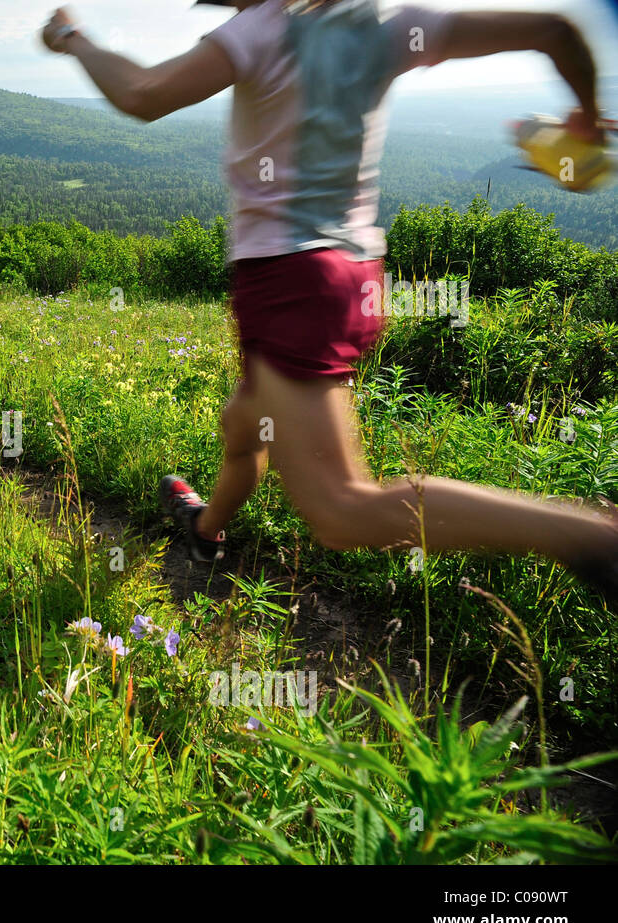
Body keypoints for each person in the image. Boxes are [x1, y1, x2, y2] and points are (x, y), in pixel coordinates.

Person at [41, 0, 618, 602]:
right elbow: (555, 29)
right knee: (244, 426)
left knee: (341, 510)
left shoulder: (263, 29)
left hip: (293, 282)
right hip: (351, 277)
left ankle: (591, 538)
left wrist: (73, 37)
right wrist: (587, 115)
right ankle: (206, 529)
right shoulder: (388, 26)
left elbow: (142, 92)